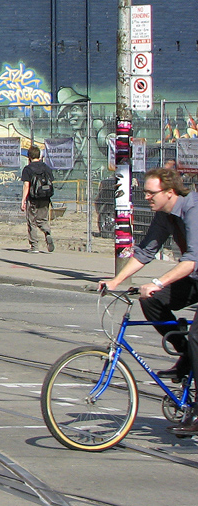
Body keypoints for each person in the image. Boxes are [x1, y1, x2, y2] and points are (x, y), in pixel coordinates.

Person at [100, 166, 198, 435]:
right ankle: (187, 357)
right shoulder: (164, 215)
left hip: (194, 270)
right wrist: (116, 281)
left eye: (151, 193)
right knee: (151, 301)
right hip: (195, 279)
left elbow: (191, 261)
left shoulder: (193, 210)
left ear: (169, 192)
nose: (146, 198)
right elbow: (145, 252)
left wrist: (157, 282)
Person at [21, 145, 55, 253]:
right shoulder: (46, 167)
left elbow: (27, 185)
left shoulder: (28, 169)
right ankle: (47, 231)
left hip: (33, 198)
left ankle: (34, 247)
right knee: (42, 219)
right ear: (39, 155)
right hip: (45, 198)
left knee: (32, 222)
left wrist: (23, 200)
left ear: (29, 157)